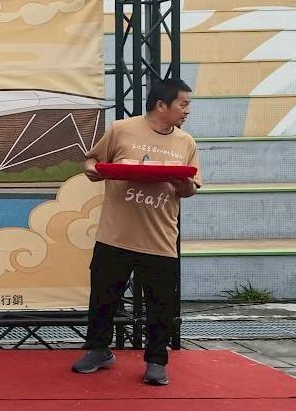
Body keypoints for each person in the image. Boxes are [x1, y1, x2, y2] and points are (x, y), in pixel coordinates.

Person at [74, 78, 201, 386]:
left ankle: (156, 361)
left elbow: (190, 189)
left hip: (159, 240)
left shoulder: (186, 142)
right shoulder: (121, 129)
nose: (187, 111)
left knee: (161, 305)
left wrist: (182, 183)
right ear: (162, 105)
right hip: (115, 235)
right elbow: (92, 159)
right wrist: (91, 170)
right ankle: (99, 350)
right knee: (103, 297)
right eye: (183, 104)